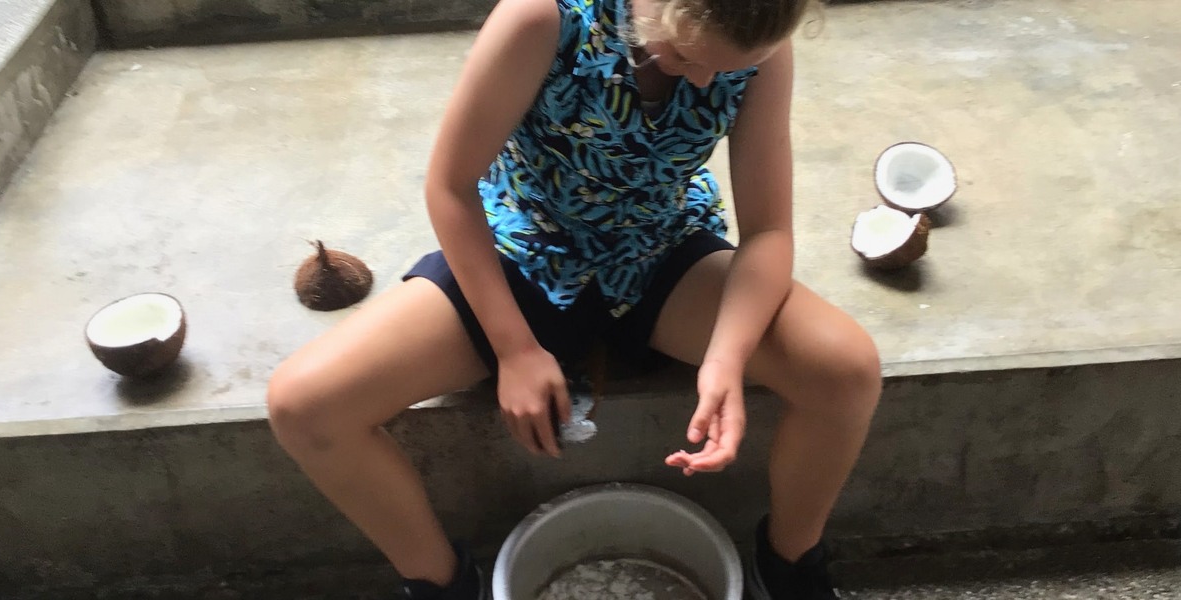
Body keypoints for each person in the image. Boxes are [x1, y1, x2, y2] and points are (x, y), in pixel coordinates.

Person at [266, 0, 882, 597]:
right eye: (681, 53)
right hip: (524, 249)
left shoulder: (762, 49)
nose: (702, 78)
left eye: (723, 70)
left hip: (656, 247)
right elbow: (450, 187)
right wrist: (512, 348)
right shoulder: (542, 17)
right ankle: (439, 581)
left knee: (845, 369)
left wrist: (726, 355)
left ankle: (790, 563)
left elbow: (769, 230)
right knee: (304, 405)